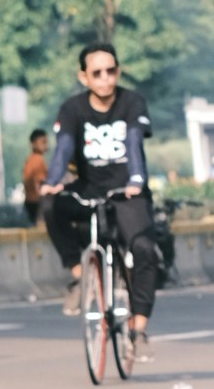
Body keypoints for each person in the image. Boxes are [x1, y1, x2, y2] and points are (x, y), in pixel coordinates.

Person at [41, 42, 160, 356]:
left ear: (118, 72)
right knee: (50, 205)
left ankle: (139, 327)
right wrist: (53, 182)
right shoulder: (72, 108)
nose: (105, 78)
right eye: (97, 73)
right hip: (88, 190)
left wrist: (136, 180)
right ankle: (80, 276)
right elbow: (64, 145)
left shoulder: (133, 102)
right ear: (84, 77)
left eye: (111, 71)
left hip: (127, 192)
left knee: (144, 248)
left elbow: (133, 140)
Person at [19, 128, 47, 222]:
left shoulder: (30, 160)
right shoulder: (37, 160)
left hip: (30, 201)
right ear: (33, 144)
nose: (45, 145)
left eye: (45, 142)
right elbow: (38, 183)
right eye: (42, 142)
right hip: (36, 202)